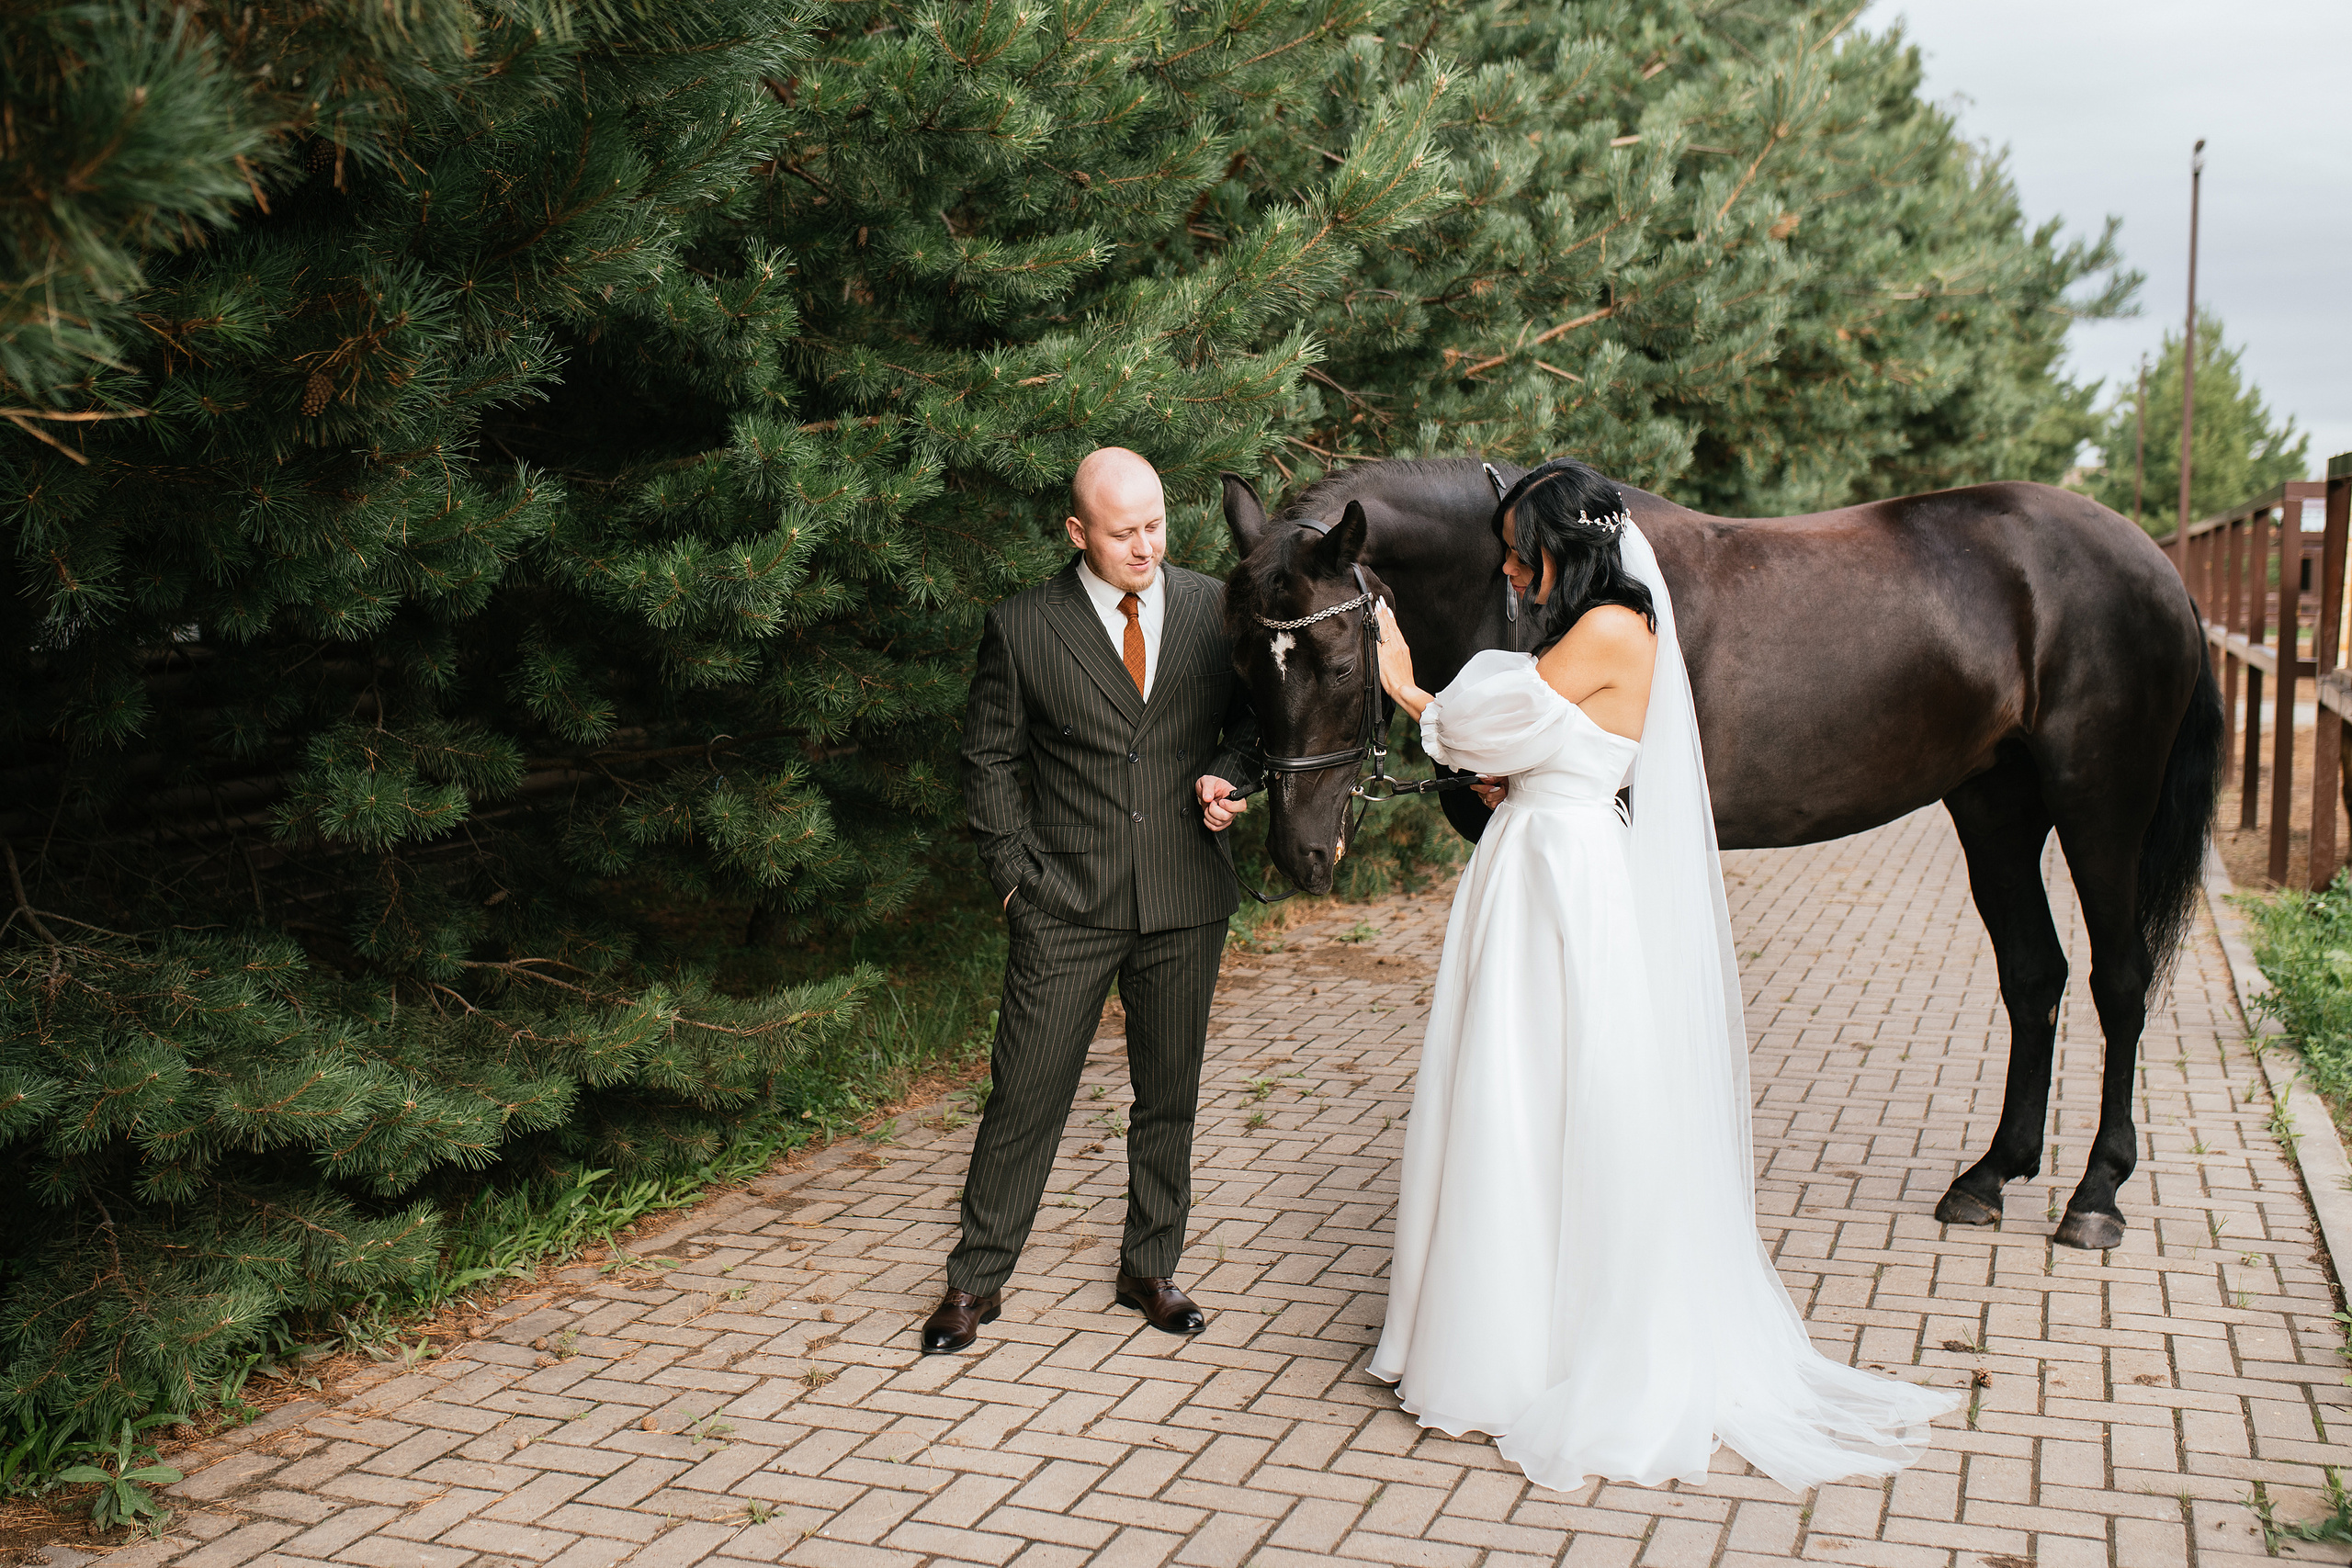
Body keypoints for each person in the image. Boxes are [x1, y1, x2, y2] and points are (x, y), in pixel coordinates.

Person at [1364, 457, 1958, 1491]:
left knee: (1537, 1087)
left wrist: (1405, 681)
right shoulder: (1599, 632)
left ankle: (1535, 1346)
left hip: (1561, 879)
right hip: (1544, 860)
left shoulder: (1606, 630)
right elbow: (1546, 741)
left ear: (1568, 548)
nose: (1512, 571)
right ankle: (1521, 1319)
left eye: (1521, 551)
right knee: (1525, 1088)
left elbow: (1476, 728)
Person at [920, 447, 1261, 1354]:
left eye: (1155, 526)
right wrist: (1011, 880)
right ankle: (975, 1282)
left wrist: (1230, 778)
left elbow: (1253, 726)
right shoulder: (1023, 626)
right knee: (1024, 1095)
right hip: (1063, 901)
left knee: (1168, 1095)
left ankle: (1149, 1266)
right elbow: (987, 759)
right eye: (1122, 534)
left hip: (1186, 893)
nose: (1145, 547)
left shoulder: (1212, 609)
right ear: (1078, 532)